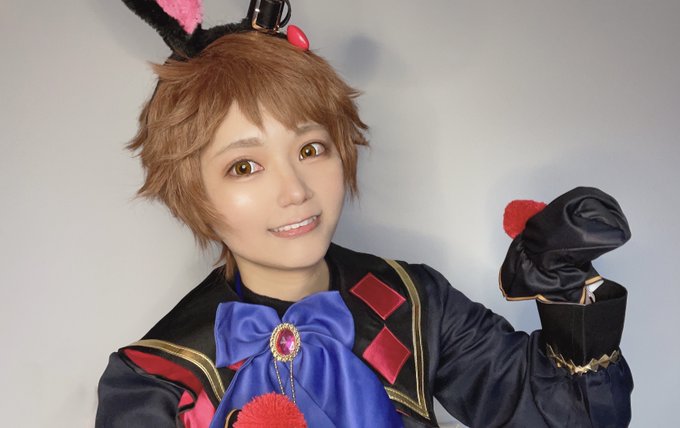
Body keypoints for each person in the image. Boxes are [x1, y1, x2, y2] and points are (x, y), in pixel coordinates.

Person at [96, 1, 633, 427]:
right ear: (192, 192)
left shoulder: (416, 302)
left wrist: (566, 291)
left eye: (310, 149)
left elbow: (564, 417)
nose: (295, 191)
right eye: (244, 167)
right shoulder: (153, 379)